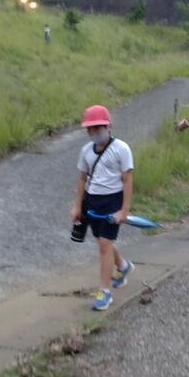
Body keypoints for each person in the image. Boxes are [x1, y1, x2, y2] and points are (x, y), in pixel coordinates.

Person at [71, 105, 135, 311]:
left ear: (108, 126)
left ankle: (104, 292)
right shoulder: (86, 151)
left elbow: (127, 179)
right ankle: (123, 267)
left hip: (112, 201)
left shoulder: (121, 149)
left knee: (104, 245)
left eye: (98, 128)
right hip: (92, 201)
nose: (94, 132)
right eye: (90, 129)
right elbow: (82, 179)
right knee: (102, 242)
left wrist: (124, 210)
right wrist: (77, 206)